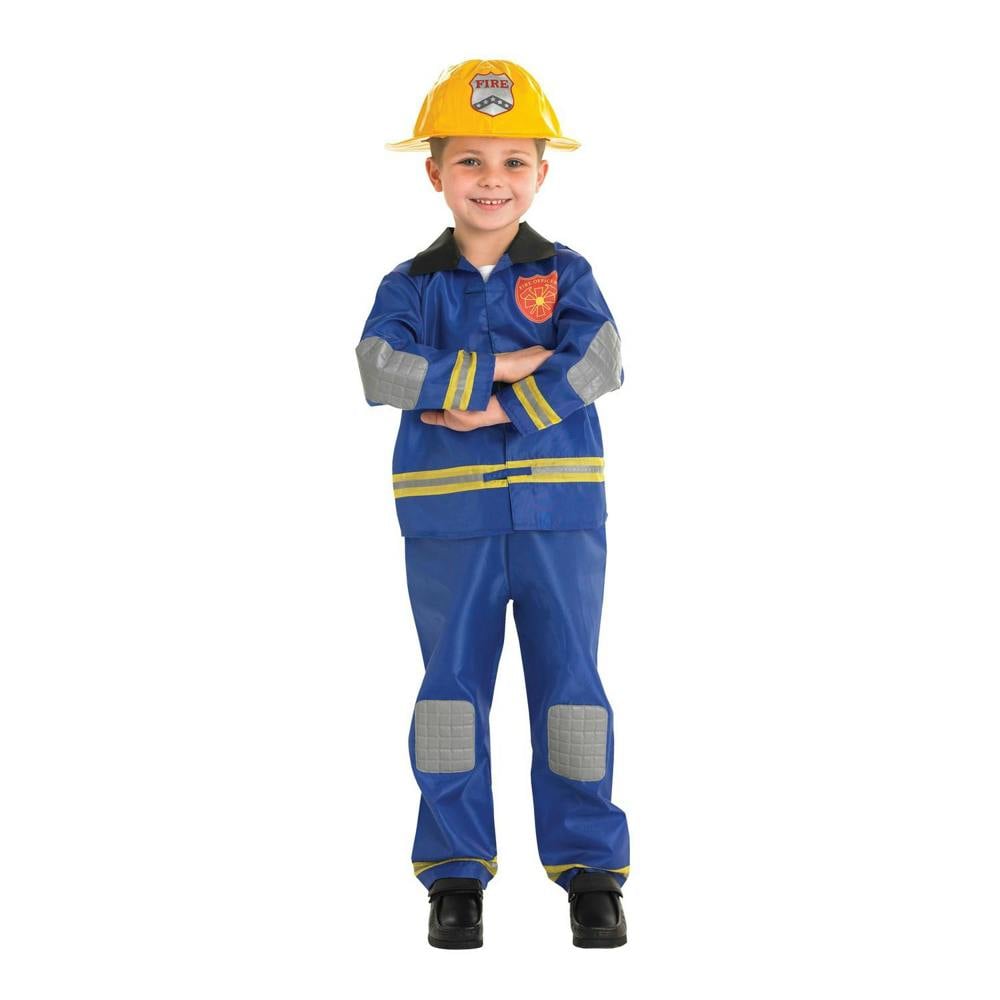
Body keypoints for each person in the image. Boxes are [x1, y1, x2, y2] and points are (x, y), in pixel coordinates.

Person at [355, 58, 631, 949]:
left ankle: (591, 870)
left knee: (572, 692)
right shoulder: (410, 285)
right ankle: (454, 870)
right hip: (450, 525)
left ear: (541, 173)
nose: (492, 179)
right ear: (434, 172)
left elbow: (600, 360)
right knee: (450, 697)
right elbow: (381, 369)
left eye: (514, 161)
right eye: (469, 160)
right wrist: (510, 362)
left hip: (560, 518)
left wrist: (497, 405)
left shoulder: (567, 272)